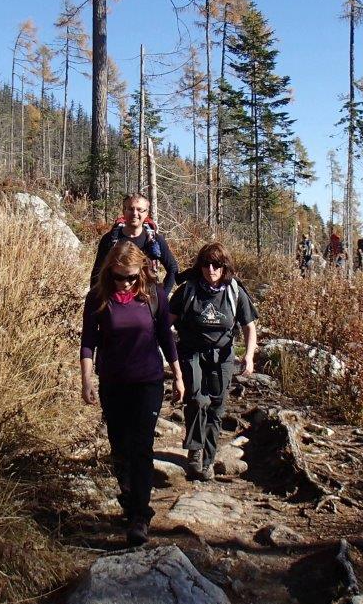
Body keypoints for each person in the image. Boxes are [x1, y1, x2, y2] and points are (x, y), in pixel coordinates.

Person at [81, 240, 185, 546]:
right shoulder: (98, 298)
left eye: (130, 276)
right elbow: (89, 342)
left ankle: (140, 515)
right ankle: (129, 495)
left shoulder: (154, 296)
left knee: (142, 447)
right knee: (120, 446)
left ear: (140, 272)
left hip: (147, 382)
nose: (124, 282)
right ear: (109, 272)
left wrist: (178, 376)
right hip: (113, 382)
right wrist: (86, 380)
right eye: (118, 276)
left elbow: (166, 337)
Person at [169, 243, 258, 482]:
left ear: (224, 266)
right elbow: (167, 320)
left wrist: (248, 356)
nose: (211, 269)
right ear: (199, 266)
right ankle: (195, 451)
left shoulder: (234, 291)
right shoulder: (188, 290)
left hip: (222, 355)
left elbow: (249, 327)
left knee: (217, 407)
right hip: (191, 352)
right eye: (206, 264)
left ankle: (207, 461)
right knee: (197, 399)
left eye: (217, 264)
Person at [90, 193, 180, 292]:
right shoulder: (110, 240)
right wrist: (96, 300)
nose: (134, 213)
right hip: (115, 298)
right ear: (123, 211)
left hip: (145, 299)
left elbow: (173, 268)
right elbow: (97, 273)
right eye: (130, 209)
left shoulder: (155, 240)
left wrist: (163, 296)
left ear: (146, 213)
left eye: (140, 209)